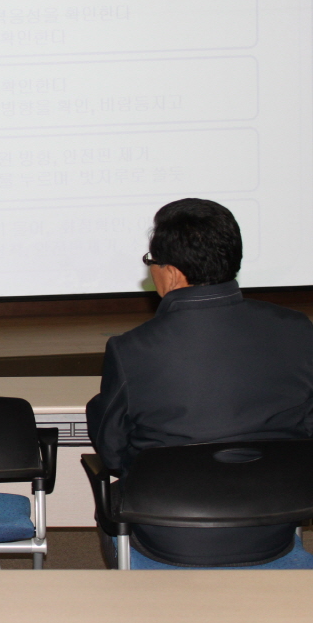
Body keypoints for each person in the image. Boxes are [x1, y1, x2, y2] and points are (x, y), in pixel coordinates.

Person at [86, 198, 313, 566]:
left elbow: (111, 452)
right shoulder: (298, 331)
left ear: (173, 273)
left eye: (151, 262)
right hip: (273, 529)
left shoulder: (132, 350)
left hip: (166, 536)